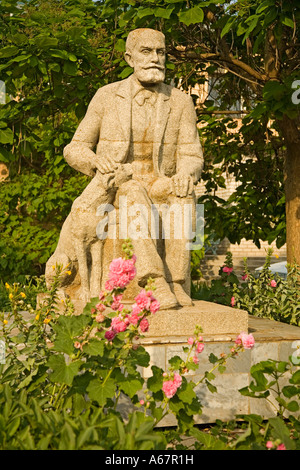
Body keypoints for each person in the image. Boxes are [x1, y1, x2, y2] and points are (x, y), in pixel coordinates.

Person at [63, 28, 204, 309]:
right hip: (119, 184)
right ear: (129, 58)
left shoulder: (180, 101)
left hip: (159, 181)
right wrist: (95, 162)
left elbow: (192, 154)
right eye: (146, 52)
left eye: (161, 52)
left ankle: (177, 282)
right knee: (132, 193)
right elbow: (74, 148)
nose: (155, 59)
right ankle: (154, 281)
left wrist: (185, 175)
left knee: (184, 195)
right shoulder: (106, 96)